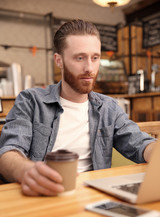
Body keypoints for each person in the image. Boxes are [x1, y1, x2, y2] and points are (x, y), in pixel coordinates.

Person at [0, 19, 156, 196]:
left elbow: (140, 143)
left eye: (95, 58)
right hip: (44, 195)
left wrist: (155, 152)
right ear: (59, 60)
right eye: (79, 58)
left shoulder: (109, 108)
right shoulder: (30, 101)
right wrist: (25, 170)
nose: (89, 68)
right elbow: (8, 153)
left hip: (95, 197)